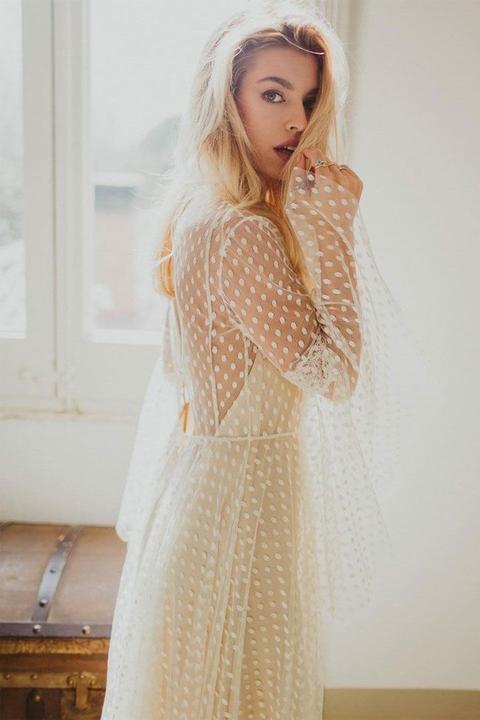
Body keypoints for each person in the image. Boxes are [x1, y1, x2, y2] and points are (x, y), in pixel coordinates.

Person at [101, 2, 410, 718]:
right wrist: (333, 233)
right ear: (226, 102)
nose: (296, 120)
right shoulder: (240, 231)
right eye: (273, 94)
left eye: (307, 99)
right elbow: (336, 376)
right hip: (234, 518)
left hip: (228, 503)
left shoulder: (206, 215)